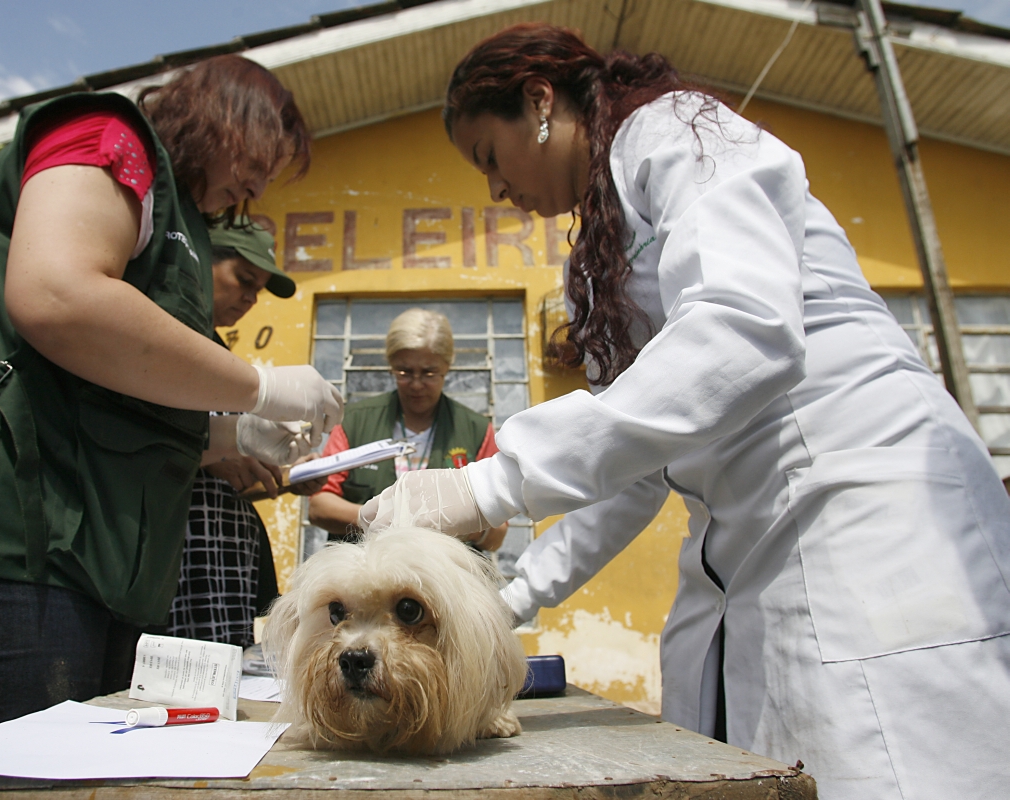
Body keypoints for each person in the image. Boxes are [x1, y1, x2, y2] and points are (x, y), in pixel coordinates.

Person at [360, 23, 1010, 799]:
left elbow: (746, 328)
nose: (495, 190)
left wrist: (489, 487)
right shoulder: (598, 261)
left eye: (490, 158)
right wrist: (504, 602)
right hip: (743, 543)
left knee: (892, 768)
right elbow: (636, 469)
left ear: (539, 100)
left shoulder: (675, 134)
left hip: (863, 507)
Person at [0, 55, 343, 762]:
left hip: (73, 559)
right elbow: (58, 296)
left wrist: (227, 431)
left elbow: (110, 393)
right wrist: (258, 386)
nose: (257, 187)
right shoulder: (110, 135)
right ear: (221, 118)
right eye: (260, 159)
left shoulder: (182, 226)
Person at [168, 220, 327, 647]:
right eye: (243, 280)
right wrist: (220, 448)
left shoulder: (217, 354)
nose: (250, 298)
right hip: (181, 561)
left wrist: (286, 477)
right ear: (199, 262)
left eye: (257, 289)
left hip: (226, 561)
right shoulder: (166, 345)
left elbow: (226, 477)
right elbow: (143, 446)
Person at [310, 308, 506, 551]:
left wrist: (462, 524)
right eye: (404, 372)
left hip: (443, 579)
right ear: (391, 365)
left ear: (447, 367)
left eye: (429, 373)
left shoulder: (476, 430)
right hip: (362, 577)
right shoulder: (354, 422)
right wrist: (382, 519)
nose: (416, 384)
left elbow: (498, 532)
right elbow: (319, 506)